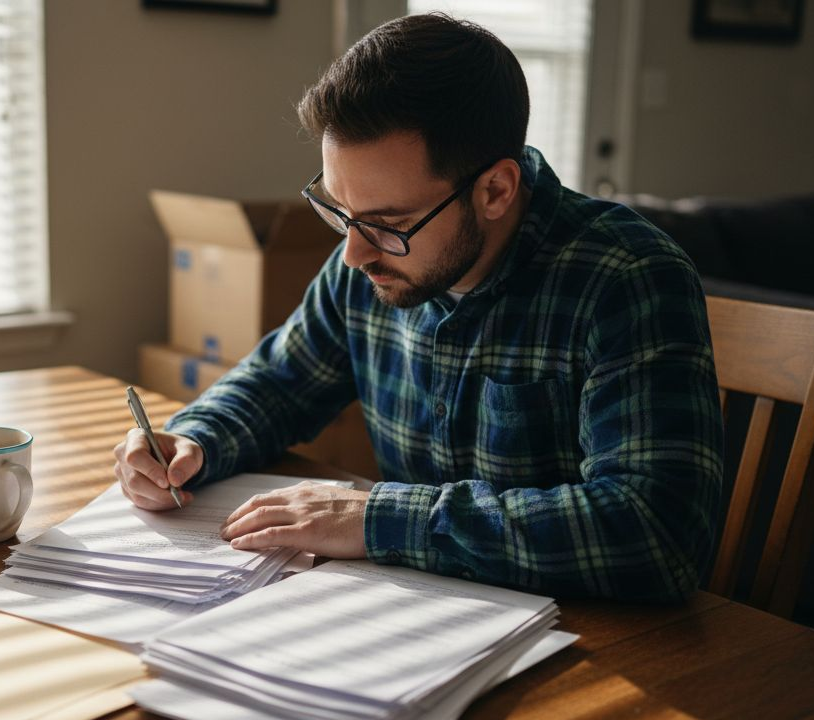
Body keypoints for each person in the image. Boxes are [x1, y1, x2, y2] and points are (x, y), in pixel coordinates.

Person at [113, 13, 724, 601]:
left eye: (387, 223)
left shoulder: (628, 279)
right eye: (338, 210)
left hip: (597, 647)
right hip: (415, 608)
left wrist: (379, 517)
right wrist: (194, 439)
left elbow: (657, 533)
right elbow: (278, 383)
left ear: (495, 190)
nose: (352, 254)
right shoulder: (371, 261)